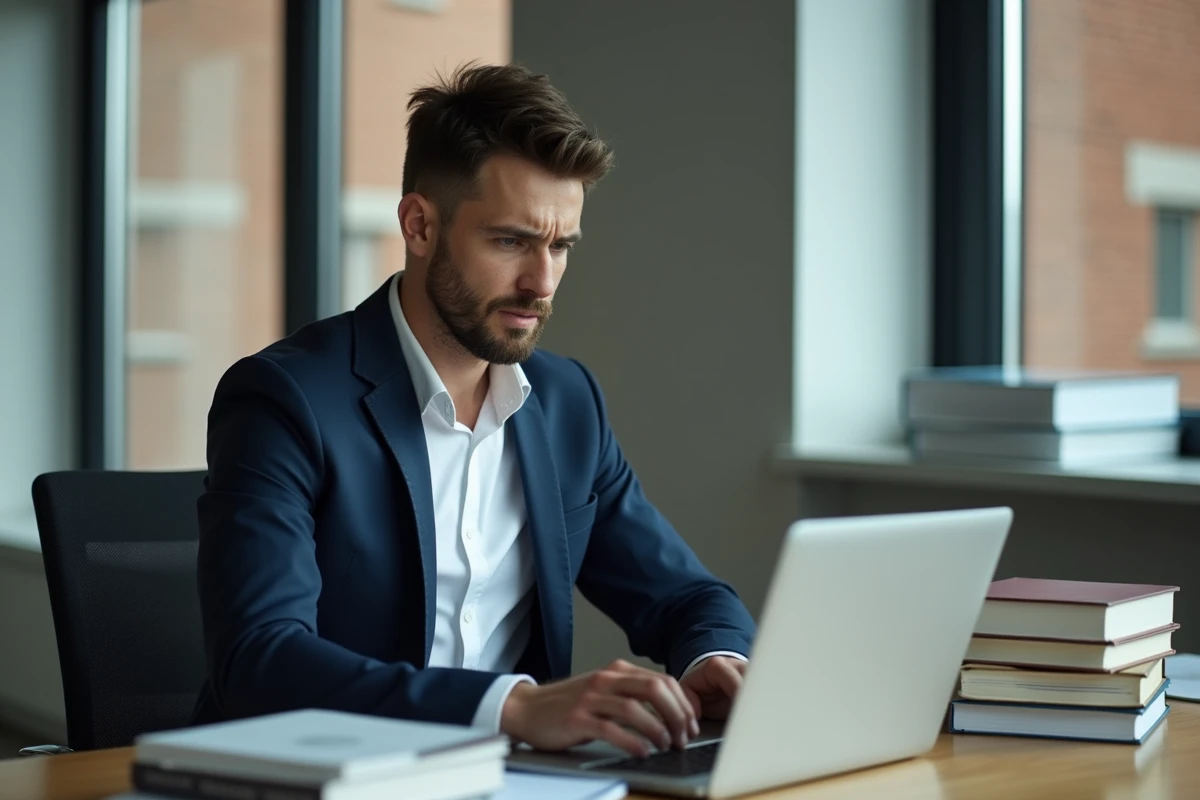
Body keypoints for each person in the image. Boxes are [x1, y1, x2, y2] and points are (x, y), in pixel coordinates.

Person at [193, 63, 755, 758]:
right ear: (420, 225)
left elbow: (687, 597)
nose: (541, 283)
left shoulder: (566, 402)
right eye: (511, 241)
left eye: (561, 246)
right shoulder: (285, 400)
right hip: (327, 776)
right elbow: (259, 661)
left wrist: (714, 662)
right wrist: (511, 707)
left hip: (516, 780)